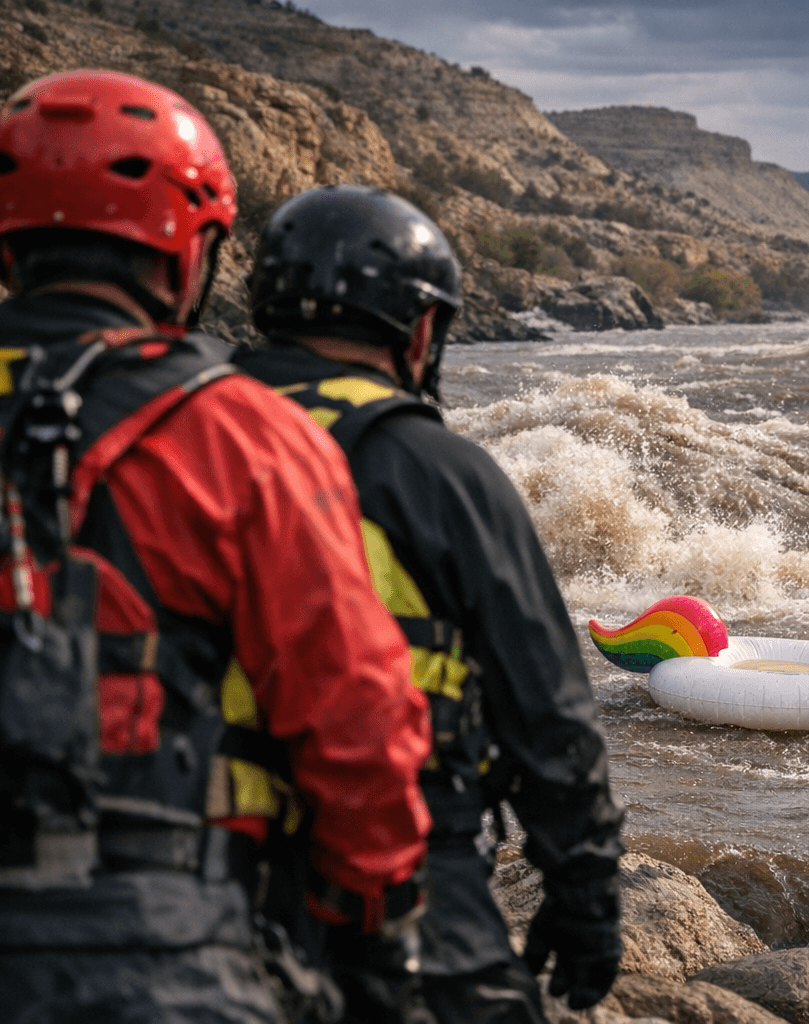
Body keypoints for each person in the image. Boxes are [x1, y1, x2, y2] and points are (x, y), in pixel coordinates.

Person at [0, 72, 431, 1023]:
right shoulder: (241, 433)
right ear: (189, 250)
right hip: (130, 944)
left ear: (1, 235)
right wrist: (377, 940)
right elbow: (357, 720)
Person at [233, 185, 625, 1024]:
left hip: (181, 858)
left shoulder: (170, 435)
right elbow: (549, 715)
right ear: (419, 330)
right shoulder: (440, 468)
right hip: (406, 862)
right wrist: (583, 891)